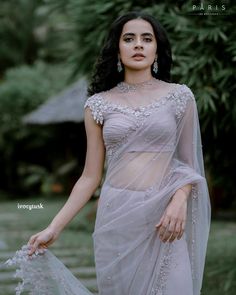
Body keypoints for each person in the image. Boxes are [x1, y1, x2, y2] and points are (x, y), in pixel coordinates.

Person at [6, 11, 211, 295]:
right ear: (117, 48)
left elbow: (190, 164)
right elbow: (90, 177)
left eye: (146, 39)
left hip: (164, 218)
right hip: (117, 219)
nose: (138, 44)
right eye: (129, 39)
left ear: (156, 49)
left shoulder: (180, 96)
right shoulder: (98, 105)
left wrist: (179, 198)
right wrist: (54, 226)